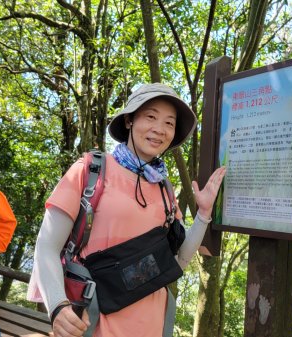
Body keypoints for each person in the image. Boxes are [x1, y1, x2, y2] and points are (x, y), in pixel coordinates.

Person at [27, 83, 226, 337]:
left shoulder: (164, 188)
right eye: (151, 117)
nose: (159, 129)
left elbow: (179, 259)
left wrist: (203, 214)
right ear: (130, 120)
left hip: (152, 324)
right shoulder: (91, 170)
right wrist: (57, 306)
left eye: (169, 123)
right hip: (93, 322)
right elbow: (46, 246)